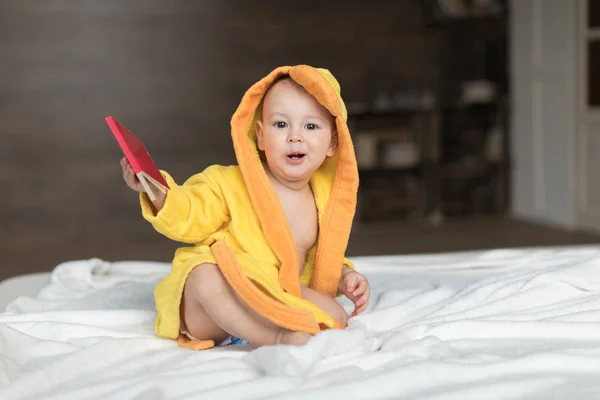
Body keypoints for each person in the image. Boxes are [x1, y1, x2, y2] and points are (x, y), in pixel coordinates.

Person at [120, 65, 370, 350]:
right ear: (261, 136)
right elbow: (190, 213)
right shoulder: (229, 183)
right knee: (203, 273)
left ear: (333, 142)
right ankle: (276, 337)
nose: (295, 136)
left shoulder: (321, 201)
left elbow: (319, 261)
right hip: (214, 312)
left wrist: (345, 276)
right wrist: (158, 191)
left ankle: (272, 322)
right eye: (281, 124)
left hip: (272, 294)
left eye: (310, 126)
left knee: (336, 315)